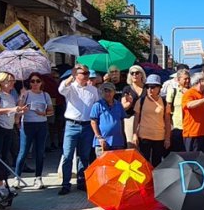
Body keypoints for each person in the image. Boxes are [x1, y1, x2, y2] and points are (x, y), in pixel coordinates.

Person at [58, 64, 99, 195]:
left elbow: (96, 106)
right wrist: (72, 74)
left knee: (84, 156)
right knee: (67, 155)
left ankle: (81, 182)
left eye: (87, 74)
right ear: (76, 74)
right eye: (83, 73)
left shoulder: (93, 90)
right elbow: (61, 89)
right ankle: (66, 184)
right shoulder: (71, 87)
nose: (86, 76)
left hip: (87, 125)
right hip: (72, 125)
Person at [14, 72, 54, 189]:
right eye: (32, 81)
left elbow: (51, 111)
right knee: (23, 152)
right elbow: (19, 109)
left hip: (41, 125)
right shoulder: (26, 94)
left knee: (40, 152)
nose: (35, 83)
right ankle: (17, 177)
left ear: (41, 83)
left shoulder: (45, 95)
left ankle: (38, 177)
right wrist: (22, 97)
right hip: (27, 124)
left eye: (37, 81)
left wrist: (44, 113)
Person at [0, 72, 28, 166]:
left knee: (5, 155)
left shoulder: (10, 96)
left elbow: (15, 109)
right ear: (1, 82)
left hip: (9, 128)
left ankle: (2, 175)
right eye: (10, 81)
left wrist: (22, 98)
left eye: (13, 80)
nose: (13, 83)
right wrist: (12, 109)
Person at [133, 74, 171, 167]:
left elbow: (167, 121)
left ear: (159, 88)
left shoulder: (164, 102)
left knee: (157, 163)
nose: (150, 89)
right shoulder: (141, 101)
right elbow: (136, 119)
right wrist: (134, 135)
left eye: (153, 87)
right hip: (144, 137)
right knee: (143, 163)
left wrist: (167, 138)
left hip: (159, 137)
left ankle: (155, 181)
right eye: (148, 87)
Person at [182, 72, 204, 155]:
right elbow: (189, 105)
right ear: (200, 82)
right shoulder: (189, 93)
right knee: (194, 161)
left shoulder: (202, 95)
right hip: (193, 134)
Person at [91, 82, 127, 157]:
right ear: (102, 92)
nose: (108, 93)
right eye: (105, 91)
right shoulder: (97, 105)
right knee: (103, 166)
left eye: (110, 91)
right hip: (102, 142)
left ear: (114, 92)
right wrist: (99, 137)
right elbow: (93, 122)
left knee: (117, 165)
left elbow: (122, 121)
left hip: (117, 142)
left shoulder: (119, 105)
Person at [121, 65, 146, 148]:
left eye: (137, 73)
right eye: (132, 73)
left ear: (142, 74)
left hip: (145, 119)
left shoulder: (147, 88)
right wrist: (130, 103)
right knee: (131, 144)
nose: (134, 75)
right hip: (130, 118)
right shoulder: (127, 89)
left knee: (144, 144)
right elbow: (123, 107)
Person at [166, 69, 190, 152]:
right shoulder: (173, 91)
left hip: (189, 129)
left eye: (188, 79)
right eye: (185, 79)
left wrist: (188, 93)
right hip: (177, 128)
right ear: (178, 79)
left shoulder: (192, 92)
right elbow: (168, 111)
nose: (187, 81)